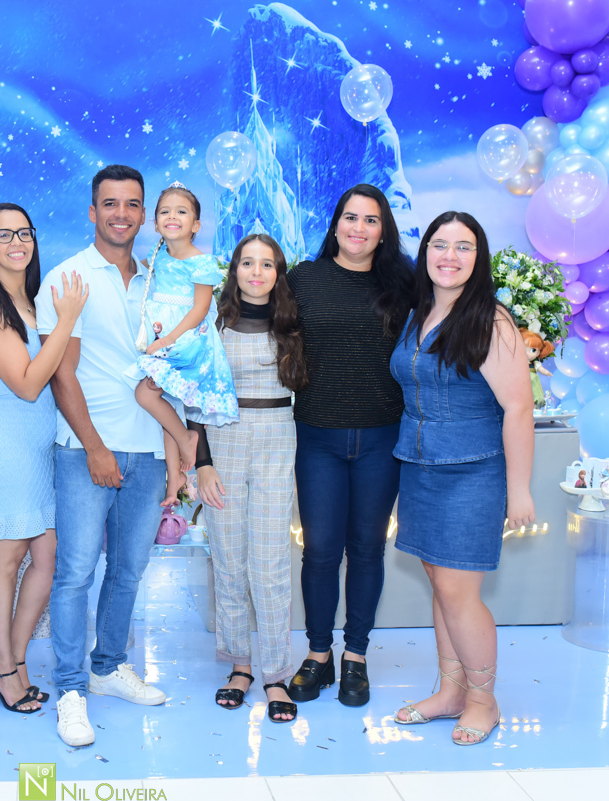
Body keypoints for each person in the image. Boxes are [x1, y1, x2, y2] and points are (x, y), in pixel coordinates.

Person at [390, 211, 534, 745]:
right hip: (419, 467)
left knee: (459, 591)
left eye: (463, 247)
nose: (449, 256)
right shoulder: (419, 312)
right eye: (440, 245)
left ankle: (482, 700)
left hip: (473, 473)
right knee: (441, 584)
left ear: (479, 257)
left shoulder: (491, 321)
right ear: (425, 252)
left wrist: (519, 490)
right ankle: (451, 691)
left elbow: (518, 408)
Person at [36, 165, 168, 747]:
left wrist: (177, 452)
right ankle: (70, 689)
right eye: (109, 203)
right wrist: (94, 447)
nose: (121, 214)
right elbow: (61, 375)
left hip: (150, 450)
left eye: (132, 204)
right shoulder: (69, 278)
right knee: (76, 573)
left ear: (143, 214)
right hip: (87, 450)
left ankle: (108, 666)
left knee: (129, 570)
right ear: (93, 211)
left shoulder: (161, 280)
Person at [286, 184, 414, 708]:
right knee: (319, 550)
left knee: (366, 549)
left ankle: (355, 656)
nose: (359, 228)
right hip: (317, 438)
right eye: (350, 217)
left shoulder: (405, 284)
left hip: (383, 440)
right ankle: (318, 654)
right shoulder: (302, 279)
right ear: (335, 223)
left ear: (384, 231)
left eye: (371, 220)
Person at [0, 203, 87, 713]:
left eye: (24, 233)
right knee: (7, 556)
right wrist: (69, 319)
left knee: (46, 557)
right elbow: (28, 383)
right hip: (4, 441)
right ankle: (5, 668)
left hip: (41, 443)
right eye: (4, 234)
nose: (17, 242)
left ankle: (10, 661)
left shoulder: (33, 301)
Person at [189, 234, 307, 723]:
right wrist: (202, 462)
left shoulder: (294, 324)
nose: (256, 272)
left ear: (279, 272)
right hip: (223, 442)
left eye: (267, 264)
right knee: (229, 557)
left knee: (271, 562)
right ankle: (240, 666)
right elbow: (193, 397)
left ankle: (275, 673)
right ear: (234, 269)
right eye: (247, 263)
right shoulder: (211, 323)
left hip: (278, 439)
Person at [128, 183, 238, 506]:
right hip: (164, 334)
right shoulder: (158, 256)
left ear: (196, 225)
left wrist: (169, 339)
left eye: (181, 211)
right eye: (165, 211)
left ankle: (188, 439)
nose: (172, 216)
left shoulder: (201, 262)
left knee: (145, 393)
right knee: (168, 404)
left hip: (187, 339)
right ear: (155, 222)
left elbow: (200, 309)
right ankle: (175, 475)